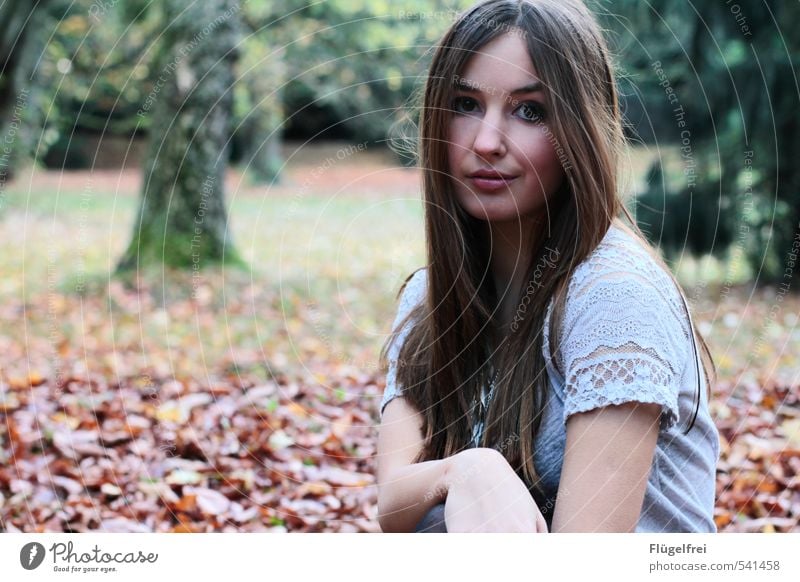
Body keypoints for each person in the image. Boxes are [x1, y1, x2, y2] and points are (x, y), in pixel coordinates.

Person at [375, 0, 719, 533]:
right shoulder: (428, 296)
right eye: (465, 104)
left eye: (529, 110)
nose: (486, 142)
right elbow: (393, 503)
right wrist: (466, 471)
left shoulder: (613, 298)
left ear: (578, 132)